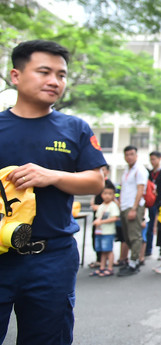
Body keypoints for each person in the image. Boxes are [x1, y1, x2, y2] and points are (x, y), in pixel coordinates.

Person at [0, 39, 106, 344]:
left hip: (52, 257)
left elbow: (96, 181)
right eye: (44, 72)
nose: (54, 81)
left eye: (61, 75)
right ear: (16, 76)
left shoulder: (75, 128)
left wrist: (52, 176)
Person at [117, 145, 148, 277]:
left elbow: (141, 190)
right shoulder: (126, 170)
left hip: (133, 206)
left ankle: (134, 263)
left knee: (135, 236)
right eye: (127, 154)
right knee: (127, 236)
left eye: (131, 154)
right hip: (124, 206)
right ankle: (132, 260)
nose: (129, 157)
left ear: (136, 155)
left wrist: (134, 209)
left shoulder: (140, 170)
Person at [145, 150, 161, 261]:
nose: (152, 161)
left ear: (160, 159)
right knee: (150, 226)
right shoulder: (149, 173)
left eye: (154, 159)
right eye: (151, 159)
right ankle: (148, 250)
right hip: (151, 202)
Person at [89, 164, 115, 269]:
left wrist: (100, 207)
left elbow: (111, 200)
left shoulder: (109, 184)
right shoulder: (96, 182)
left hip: (105, 215)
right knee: (96, 237)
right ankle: (99, 259)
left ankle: (105, 263)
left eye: (103, 170)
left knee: (106, 240)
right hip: (97, 215)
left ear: (107, 172)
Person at [91, 184, 120, 277]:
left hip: (108, 232)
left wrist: (102, 222)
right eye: (105, 193)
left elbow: (115, 218)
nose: (107, 195)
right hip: (100, 231)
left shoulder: (113, 205)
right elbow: (98, 216)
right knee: (103, 251)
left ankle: (110, 268)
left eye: (110, 194)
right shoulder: (102, 205)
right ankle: (102, 267)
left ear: (113, 195)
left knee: (109, 250)